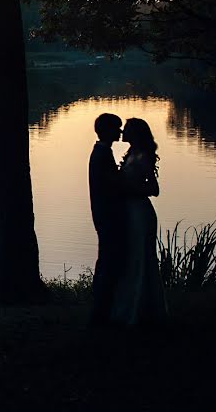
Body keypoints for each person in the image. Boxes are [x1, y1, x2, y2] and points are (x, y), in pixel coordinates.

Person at [110, 117, 168, 326]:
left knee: (142, 258)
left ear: (135, 133)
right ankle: (133, 307)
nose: (122, 132)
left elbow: (154, 189)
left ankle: (142, 311)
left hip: (140, 214)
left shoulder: (143, 157)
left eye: (126, 130)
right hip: (130, 212)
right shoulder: (131, 155)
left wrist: (128, 190)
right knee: (132, 258)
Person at [87, 113, 128, 325]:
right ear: (107, 130)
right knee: (108, 259)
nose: (120, 132)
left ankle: (103, 305)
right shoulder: (102, 154)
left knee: (108, 257)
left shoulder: (102, 152)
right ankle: (101, 307)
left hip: (105, 213)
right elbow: (113, 184)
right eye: (117, 128)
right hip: (107, 214)